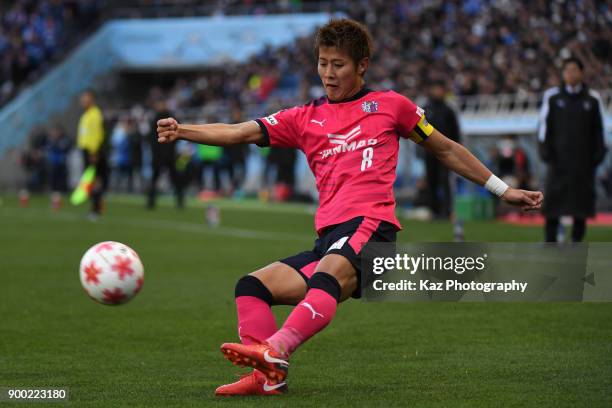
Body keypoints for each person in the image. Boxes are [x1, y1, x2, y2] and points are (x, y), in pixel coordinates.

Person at [157, 19, 543, 396]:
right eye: (322, 63)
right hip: (329, 238)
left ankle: (277, 351)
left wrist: (501, 188)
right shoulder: (304, 117)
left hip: (371, 227)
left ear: (362, 66)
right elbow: (240, 131)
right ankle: (267, 377)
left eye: (338, 64)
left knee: (326, 277)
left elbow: (445, 148)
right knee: (251, 286)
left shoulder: (392, 106)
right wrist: (184, 130)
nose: (328, 73)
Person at [538, 57, 607, 243]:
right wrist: (547, 153)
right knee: (553, 203)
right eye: (567, 70)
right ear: (563, 73)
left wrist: (596, 157)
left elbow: (599, 132)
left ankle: (577, 241)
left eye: (574, 70)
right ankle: (550, 240)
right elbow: (544, 128)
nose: (571, 74)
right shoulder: (553, 98)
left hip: (583, 163)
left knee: (581, 204)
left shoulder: (592, 100)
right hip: (558, 162)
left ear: (581, 73)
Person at [423, 79, 461, 218]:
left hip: (445, 153)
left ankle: (448, 211)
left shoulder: (448, 110)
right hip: (429, 152)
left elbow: (455, 132)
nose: (437, 91)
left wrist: (455, 150)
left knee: (445, 181)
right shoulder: (426, 108)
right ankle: (434, 210)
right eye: (435, 88)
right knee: (431, 181)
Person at [147, 100, 184, 209]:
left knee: (174, 179)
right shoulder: (157, 119)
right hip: (161, 154)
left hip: (168, 154)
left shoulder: (165, 118)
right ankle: (151, 201)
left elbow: (178, 132)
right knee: (156, 179)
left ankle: (179, 201)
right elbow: (152, 138)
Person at [77, 89, 107, 219]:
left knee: (94, 182)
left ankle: (96, 210)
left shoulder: (95, 115)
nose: (83, 100)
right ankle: (95, 208)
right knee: (90, 182)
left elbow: (96, 135)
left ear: (92, 99)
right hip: (87, 151)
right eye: (82, 98)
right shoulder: (87, 114)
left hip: (92, 152)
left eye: (86, 98)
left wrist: (94, 153)